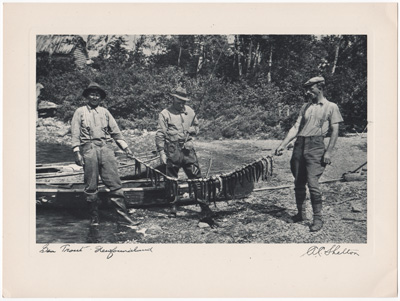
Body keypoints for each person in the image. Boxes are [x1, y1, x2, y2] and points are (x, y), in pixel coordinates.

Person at [274, 76, 343, 232]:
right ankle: (301, 214)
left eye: (310, 89)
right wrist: (283, 144)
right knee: (298, 181)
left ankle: (317, 219)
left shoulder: (331, 106)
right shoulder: (305, 106)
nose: (308, 92)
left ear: (320, 88)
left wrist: (329, 152)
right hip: (300, 145)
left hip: (316, 146)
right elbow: (296, 127)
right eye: (307, 89)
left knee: (313, 183)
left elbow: (335, 130)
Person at [71, 82, 138, 227]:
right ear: (87, 96)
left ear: (100, 97)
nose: (94, 97)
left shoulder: (105, 112)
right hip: (89, 149)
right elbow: (75, 134)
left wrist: (126, 148)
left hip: (106, 149)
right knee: (91, 185)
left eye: (97, 95)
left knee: (115, 183)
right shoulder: (80, 111)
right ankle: (94, 218)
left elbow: (116, 132)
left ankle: (123, 217)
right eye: (92, 94)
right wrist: (76, 152)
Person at [155, 87, 214, 223]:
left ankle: (204, 206)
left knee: (196, 178)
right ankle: (173, 206)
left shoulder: (191, 112)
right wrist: (161, 152)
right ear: (173, 98)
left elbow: (197, 127)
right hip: (172, 150)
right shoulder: (164, 114)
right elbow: (160, 134)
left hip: (188, 150)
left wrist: (192, 130)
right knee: (171, 180)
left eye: (183, 101)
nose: (181, 103)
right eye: (178, 100)